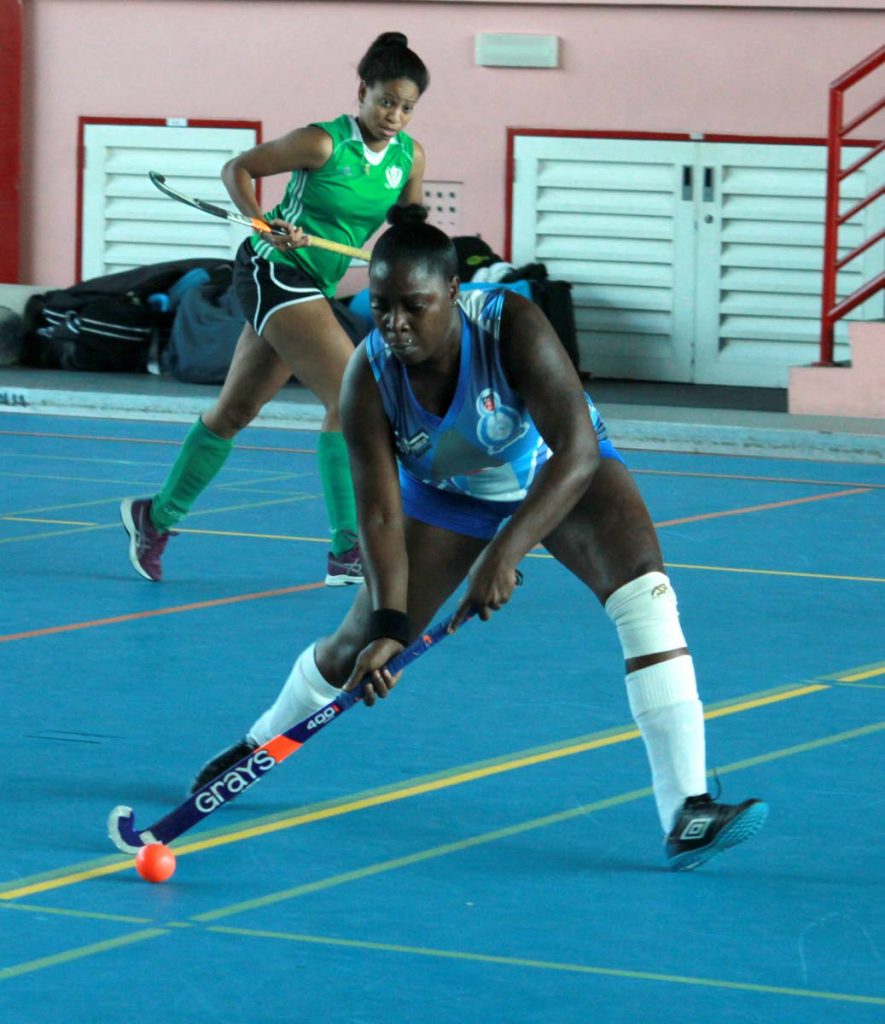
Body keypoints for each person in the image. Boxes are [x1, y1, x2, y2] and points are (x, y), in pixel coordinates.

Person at [191, 205, 768, 871]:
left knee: (647, 601)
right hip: (447, 497)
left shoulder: (510, 324)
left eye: (414, 306)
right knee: (356, 646)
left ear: (453, 297)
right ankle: (259, 746)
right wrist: (387, 621)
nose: (394, 324)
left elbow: (576, 448)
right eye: (380, 306)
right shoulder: (367, 378)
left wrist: (506, 551)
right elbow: (377, 513)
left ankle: (686, 811)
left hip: (555, 472)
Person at [120, 32, 429, 586]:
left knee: (235, 412)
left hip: (315, 282)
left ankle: (155, 516)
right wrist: (265, 223)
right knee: (356, 396)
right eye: (386, 101)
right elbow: (238, 168)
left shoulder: (408, 158)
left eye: (407, 107)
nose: (395, 117)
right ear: (363, 91)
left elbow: (406, 228)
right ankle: (348, 548)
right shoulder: (322, 143)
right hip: (272, 272)